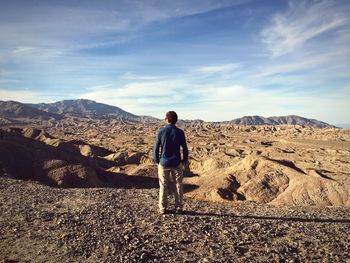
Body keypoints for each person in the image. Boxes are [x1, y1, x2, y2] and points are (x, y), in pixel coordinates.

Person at [153, 111, 188, 214]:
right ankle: (179, 207)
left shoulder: (161, 131)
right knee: (178, 184)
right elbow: (185, 148)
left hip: (164, 162)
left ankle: (162, 208)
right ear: (176, 120)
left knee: (163, 185)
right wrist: (184, 161)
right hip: (177, 163)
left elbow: (156, 148)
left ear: (167, 119)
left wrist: (157, 161)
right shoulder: (180, 132)